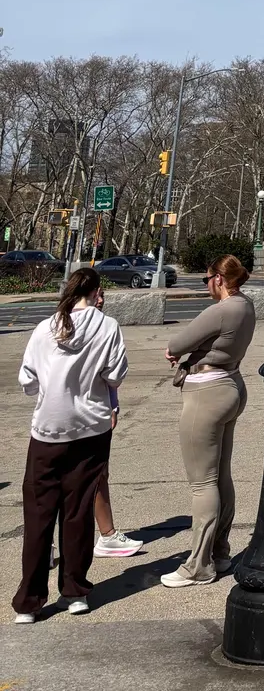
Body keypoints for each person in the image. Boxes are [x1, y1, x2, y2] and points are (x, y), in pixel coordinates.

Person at [12, 266, 128, 622]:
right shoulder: (107, 327)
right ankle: (74, 591)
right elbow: (114, 373)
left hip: (48, 429)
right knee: (77, 511)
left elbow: (27, 380)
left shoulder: (45, 327)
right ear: (95, 294)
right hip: (90, 429)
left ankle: (29, 601)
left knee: (38, 514)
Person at [161, 254, 256, 586]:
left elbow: (177, 342)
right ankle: (220, 552)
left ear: (219, 278)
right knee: (221, 477)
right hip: (232, 386)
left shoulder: (220, 310)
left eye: (206, 280)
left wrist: (179, 352)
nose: (206, 286)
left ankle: (198, 566)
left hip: (206, 393)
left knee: (202, 482)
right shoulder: (246, 306)